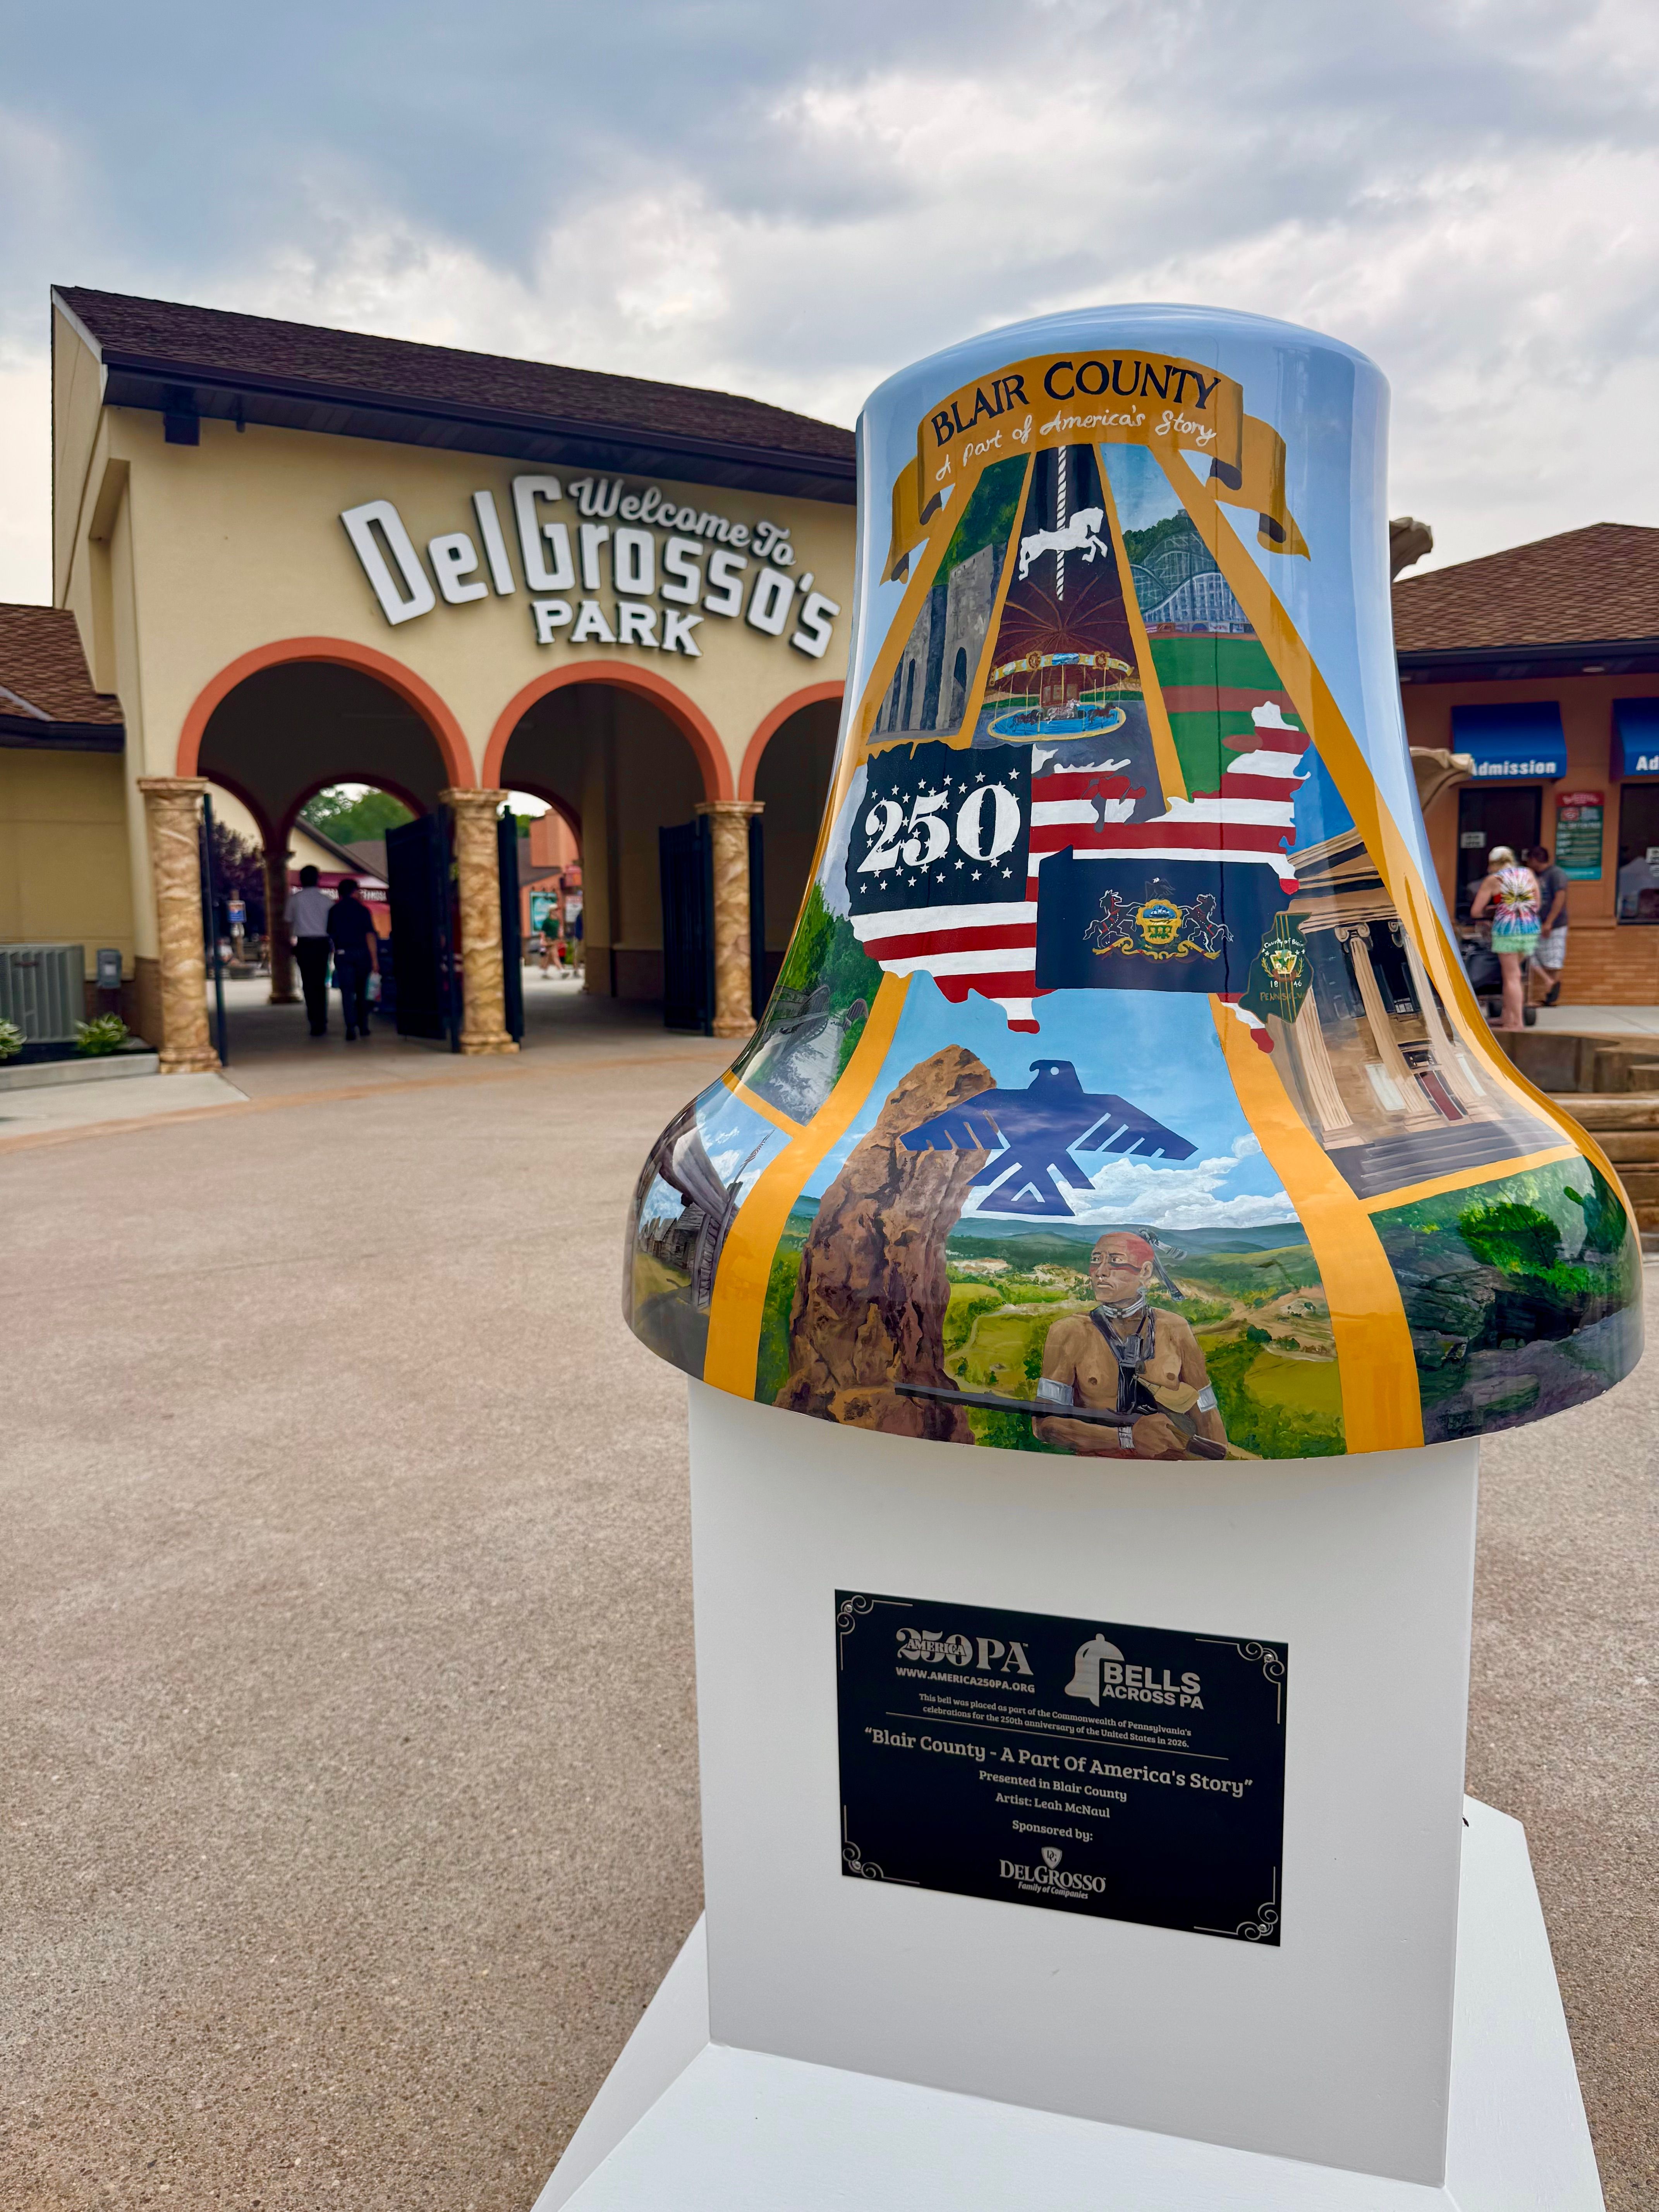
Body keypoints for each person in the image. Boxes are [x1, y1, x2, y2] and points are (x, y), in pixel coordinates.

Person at [1033, 1231, 1227, 1458]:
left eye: (1115, 1261)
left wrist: (1214, 1468)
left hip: (1172, 1472)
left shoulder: (1176, 1328)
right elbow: (1045, 1425)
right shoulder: (1067, 1332)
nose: (1101, 1272)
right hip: (1096, 1471)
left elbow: (1206, 1410)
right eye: (1096, 1260)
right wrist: (1127, 1438)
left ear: (1145, 1272)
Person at [1469, 844, 1540, 1032]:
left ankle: (1516, 1023)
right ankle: (1506, 1016)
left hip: (1507, 931)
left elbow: (1476, 911)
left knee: (1512, 977)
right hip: (1530, 928)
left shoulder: (1494, 880)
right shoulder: (1528, 874)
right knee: (1516, 975)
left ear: (1492, 863)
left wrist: (1494, 911)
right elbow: (1537, 903)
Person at [284, 863, 334, 1036]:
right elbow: (332, 926)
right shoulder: (327, 900)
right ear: (318, 879)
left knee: (308, 983)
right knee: (321, 983)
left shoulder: (295, 900)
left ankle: (314, 1019)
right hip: (322, 943)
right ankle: (322, 1019)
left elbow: (288, 923)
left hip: (304, 944)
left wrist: (290, 945)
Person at [327, 878, 379, 1041]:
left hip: (343, 954)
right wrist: (375, 959)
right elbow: (370, 935)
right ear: (354, 892)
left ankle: (350, 1027)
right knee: (362, 991)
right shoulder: (363, 911)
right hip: (362, 954)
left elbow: (330, 935)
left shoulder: (334, 911)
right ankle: (363, 1026)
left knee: (347, 993)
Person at [1525, 844, 1569, 1006]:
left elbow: (1560, 898)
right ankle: (1548, 987)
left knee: (1554, 961)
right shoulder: (1536, 875)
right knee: (1529, 954)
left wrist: (1549, 922)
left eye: (1529, 860)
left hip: (1555, 925)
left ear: (1535, 859)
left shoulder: (1556, 874)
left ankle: (1551, 997)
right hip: (1535, 923)